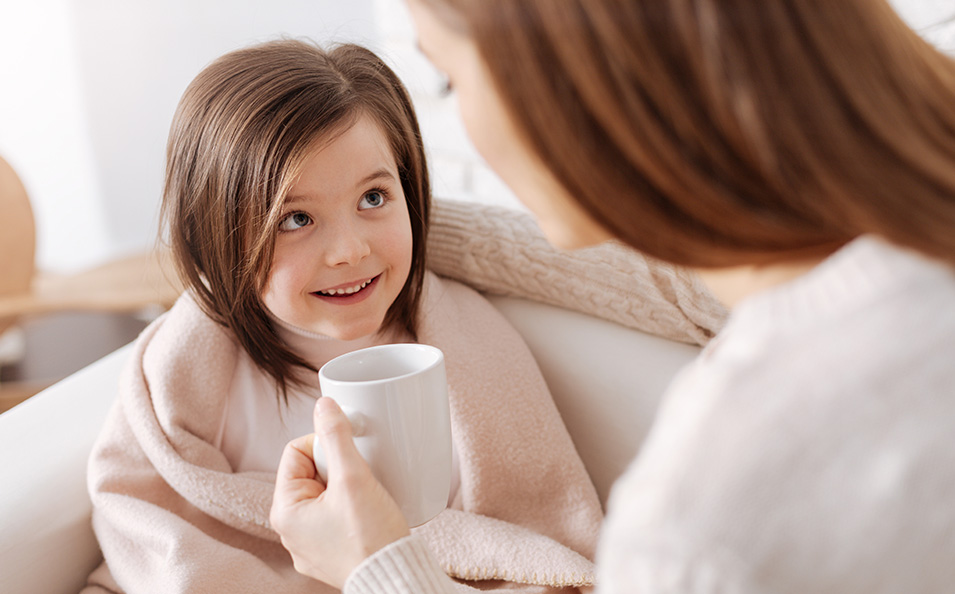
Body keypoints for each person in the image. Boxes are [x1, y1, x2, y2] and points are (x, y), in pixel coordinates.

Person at [269, 1, 955, 593]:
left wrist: (377, 566)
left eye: (448, 78)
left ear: (576, 75)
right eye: (297, 217)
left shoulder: (706, 519)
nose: (349, 249)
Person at [83, 38, 605, 594]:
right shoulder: (184, 378)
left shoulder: (474, 354)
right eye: (296, 219)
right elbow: (147, 541)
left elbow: (540, 555)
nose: (349, 251)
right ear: (217, 239)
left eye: (374, 198)